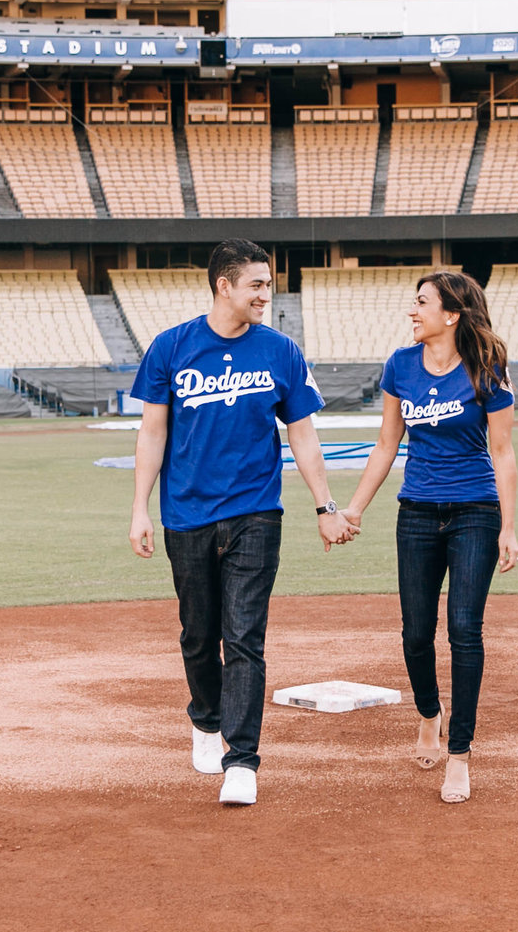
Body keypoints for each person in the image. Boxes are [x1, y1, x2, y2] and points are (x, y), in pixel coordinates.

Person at [129, 239, 352, 807]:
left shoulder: (281, 351)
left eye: (267, 284)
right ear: (223, 286)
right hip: (187, 515)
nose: (265, 294)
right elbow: (152, 433)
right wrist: (140, 509)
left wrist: (326, 507)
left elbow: (302, 433)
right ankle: (205, 719)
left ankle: (243, 759)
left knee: (245, 637)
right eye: (256, 284)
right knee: (199, 636)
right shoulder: (170, 348)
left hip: (256, 513)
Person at [339, 270, 518, 805]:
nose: (411, 312)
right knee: (416, 634)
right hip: (416, 512)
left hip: (475, 512)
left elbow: (503, 453)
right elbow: (386, 445)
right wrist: (353, 508)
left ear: (452, 314)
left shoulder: (488, 368)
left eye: (421, 303)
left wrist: (509, 526)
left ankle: (459, 754)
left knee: (465, 630)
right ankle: (428, 714)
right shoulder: (399, 365)